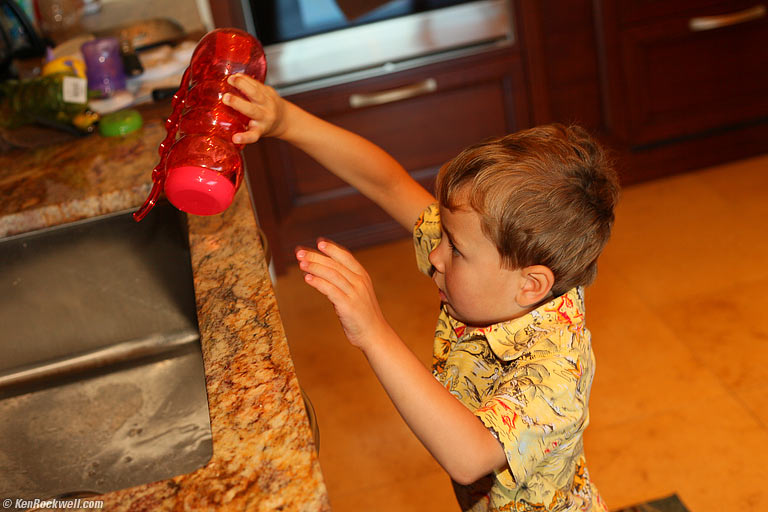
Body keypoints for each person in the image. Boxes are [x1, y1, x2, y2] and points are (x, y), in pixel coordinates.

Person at [223, 73, 619, 512]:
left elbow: (468, 458)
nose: (435, 255)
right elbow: (387, 184)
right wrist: (287, 121)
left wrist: (373, 330)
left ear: (531, 285)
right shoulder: (499, 274)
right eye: (444, 237)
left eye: (456, 249)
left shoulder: (556, 374)